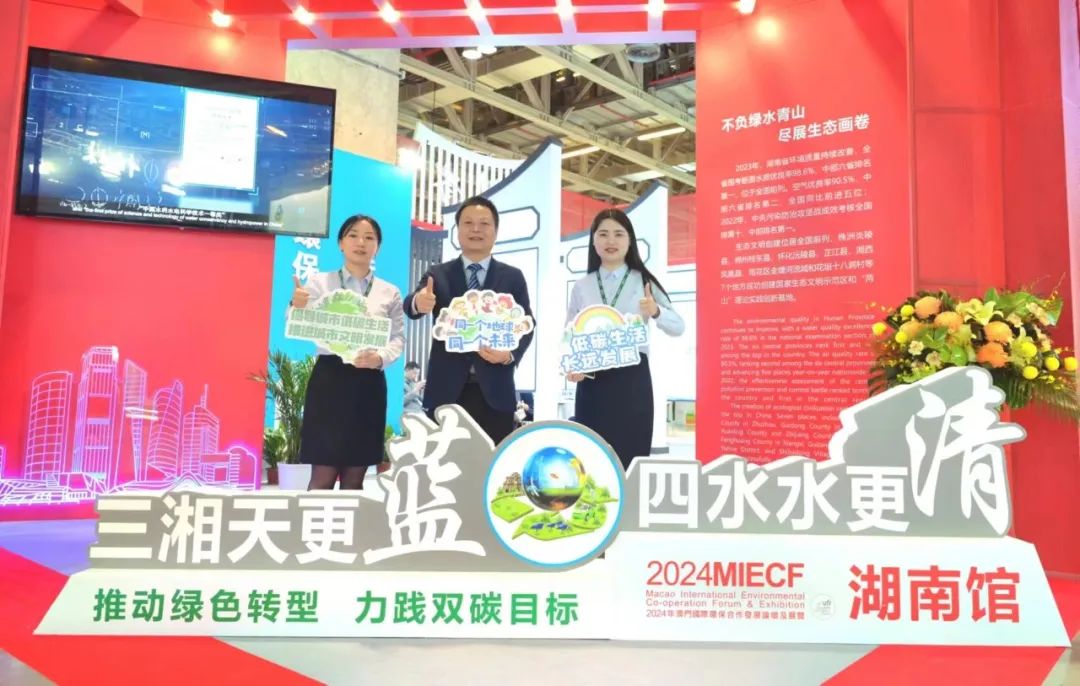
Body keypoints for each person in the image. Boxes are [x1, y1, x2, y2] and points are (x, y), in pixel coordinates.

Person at [404, 196, 533, 445]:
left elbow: (527, 325)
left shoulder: (512, 277)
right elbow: (412, 305)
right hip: (446, 391)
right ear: (458, 230)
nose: (476, 229)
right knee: (444, 463)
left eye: (484, 223)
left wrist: (509, 355)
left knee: (493, 462)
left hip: (496, 392)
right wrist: (420, 302)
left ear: (495, 231)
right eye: (468, 223)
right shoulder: (437, 274)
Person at [291, 214, 404, 490]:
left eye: (369, 238)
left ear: (377, 247)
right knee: (322, 475)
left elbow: (397, 339)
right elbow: (295, 322)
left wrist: (379, 359)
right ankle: (314, 521)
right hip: (329, 380)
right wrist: (297, 306)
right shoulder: (319, 282)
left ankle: (350, 521)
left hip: (368, 382)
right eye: (353, 235)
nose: (360, 242)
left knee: (355, 478)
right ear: (341, 243)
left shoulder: (389, 292)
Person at [564, 208, 684, 469]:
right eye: (603, 234)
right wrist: (572, 366)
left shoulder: (644, 281)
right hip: (592, 380)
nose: (611, 241)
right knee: (591, 459)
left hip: (632, 380)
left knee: (630, 457)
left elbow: (678, 326)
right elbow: (570, 335)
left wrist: (656, 311)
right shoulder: (582, 286)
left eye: (619, 234)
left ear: (630, 241)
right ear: (593, 241)